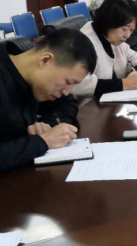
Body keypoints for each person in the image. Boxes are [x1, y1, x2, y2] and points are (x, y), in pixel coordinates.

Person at [0, 29, 97, 172]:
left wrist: (48, 126)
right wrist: (42, 142)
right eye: (68, 81)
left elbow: (68, 103)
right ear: (45, 60)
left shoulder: (32, 77)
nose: (67, 91)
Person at [72, 0, 137, 98]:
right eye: (124, 29)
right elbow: (78, 85)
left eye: (131, 30)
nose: (127, 35)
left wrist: (136, 74)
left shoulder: (114, 40)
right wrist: (123, 84)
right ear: (108, 21)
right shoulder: (84, 43)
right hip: (88, 104)